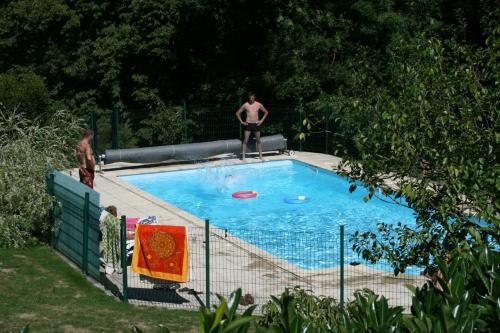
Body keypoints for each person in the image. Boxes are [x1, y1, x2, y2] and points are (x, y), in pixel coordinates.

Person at [235, 92, 269, 160]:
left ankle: (260, 156)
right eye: (250, 97)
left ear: (254, 97)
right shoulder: (246, 105)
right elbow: (237, 113)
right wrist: (242, 122)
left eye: (252, 97)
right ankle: (243, 156)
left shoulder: (258, 104)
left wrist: (261, 121)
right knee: (245, 141)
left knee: (258, 140)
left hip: (256, 124)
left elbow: (266, 112)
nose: (251, 98)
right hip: (248, 124)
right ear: (249, 97)